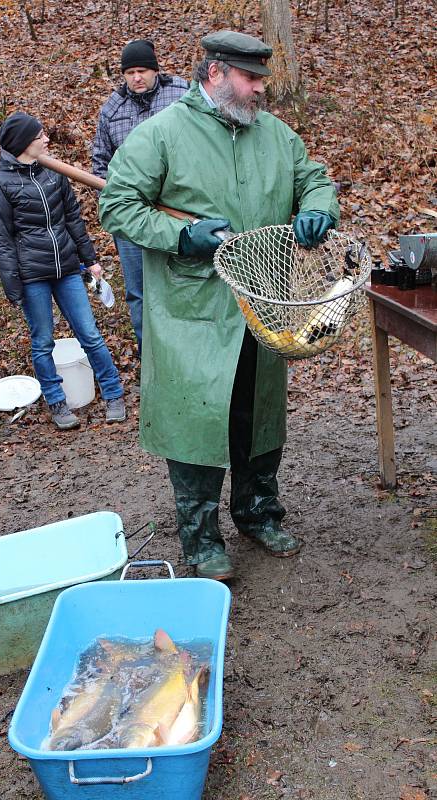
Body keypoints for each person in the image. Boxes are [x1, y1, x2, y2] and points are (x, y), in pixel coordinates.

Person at [99, 31, 340, 580]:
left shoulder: (276, 136)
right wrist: (182, 238)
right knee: (198, 423)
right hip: (193, 312)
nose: (259, 89)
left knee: (259, 417)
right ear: (215, 74)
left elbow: (316, 181)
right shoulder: (161, 134)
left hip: (266, 303)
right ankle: (201, 540)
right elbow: (117, 205)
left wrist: (318, 211)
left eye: (260, 79)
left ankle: (257, 512)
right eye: (251, 79)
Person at [0, 111, 126, 430]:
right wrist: (13, 285)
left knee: (89, 334)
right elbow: (2, 240)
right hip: (32, 275)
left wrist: (90, 260)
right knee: (43, 342)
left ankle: (114, 393)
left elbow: (74, 220)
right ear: (24, 144)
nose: (46, 139)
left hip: (67, 268)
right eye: (40, 136)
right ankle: (57, 402)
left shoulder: (54, 174)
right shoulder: (1, 186)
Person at [92, 39, 188, 355]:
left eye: (142, 70)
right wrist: (120, 200)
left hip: (175, 211)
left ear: (155, 70)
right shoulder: (112, 109)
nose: (137, 78)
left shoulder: (181, 94)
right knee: (139, 291)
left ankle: (184, 352)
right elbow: (100, 163)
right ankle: (151, 357)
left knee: (180, 284)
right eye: (130, 72)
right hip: (131, 217)